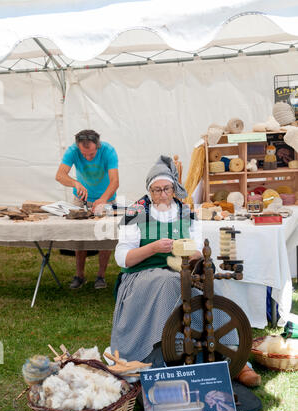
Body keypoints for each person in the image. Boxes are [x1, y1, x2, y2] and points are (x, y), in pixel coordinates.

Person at [110, 155, 261, 388]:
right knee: (172, 284)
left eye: (166, 189)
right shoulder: (136, 213)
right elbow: (123, 257)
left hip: (181, 270)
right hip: (142, 274)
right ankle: (164, 357)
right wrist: (152, 248)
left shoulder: (186, 212)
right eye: (156, 190)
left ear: (173, 188)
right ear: (149, 191)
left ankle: (234, 357)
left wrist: (195, 254)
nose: (162, 195)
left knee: (212, 285)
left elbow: (198, 247)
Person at [55, 129, 119, 289]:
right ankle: (79, 275)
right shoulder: (72, 151)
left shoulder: (108, 151)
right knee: (79, 235)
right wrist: (75, 183)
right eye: (84, 154)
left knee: (105, 236)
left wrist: (103, 199)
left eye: (91, 154)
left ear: (98, 146)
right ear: (78, 147)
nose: (87, 157)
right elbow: (60, 175)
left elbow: (114, 181)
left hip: (106, 197)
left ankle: (101, 276)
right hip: (81, 198)